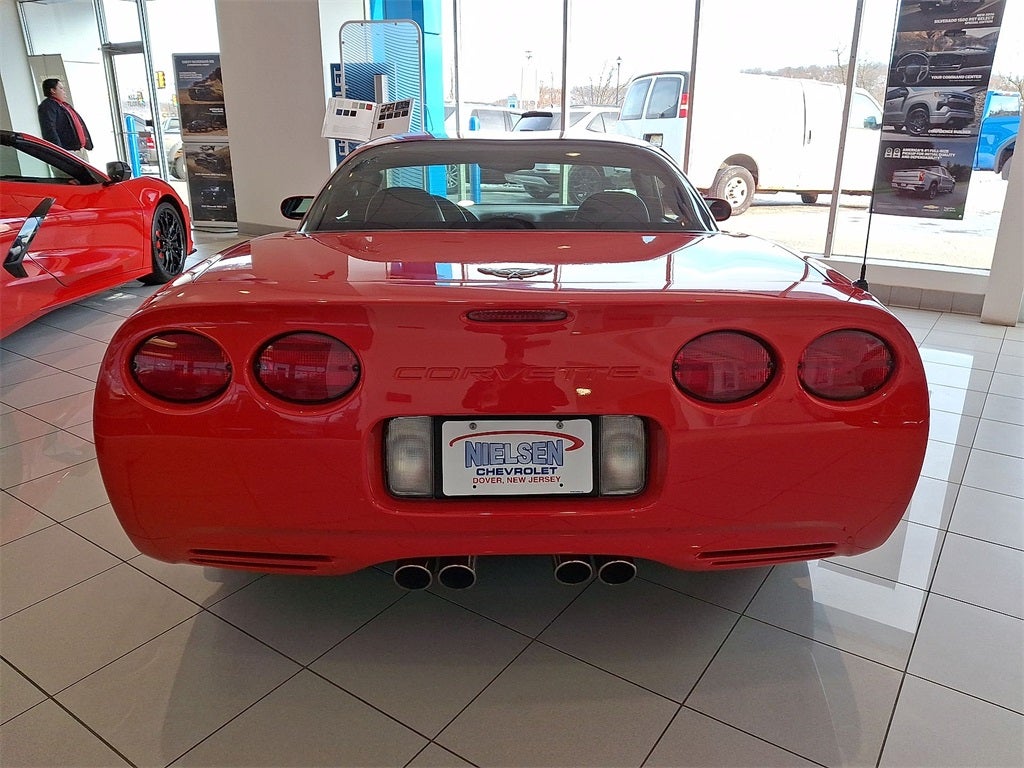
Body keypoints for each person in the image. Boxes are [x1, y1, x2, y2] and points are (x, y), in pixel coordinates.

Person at [37, 78, 93, 156]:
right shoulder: (48, 106)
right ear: (53, 90)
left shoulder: (64, 105)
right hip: (67, 152)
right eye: (61, 88)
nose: (64, 91)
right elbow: (49, 129)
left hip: (79, 150)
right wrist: (59, 152)